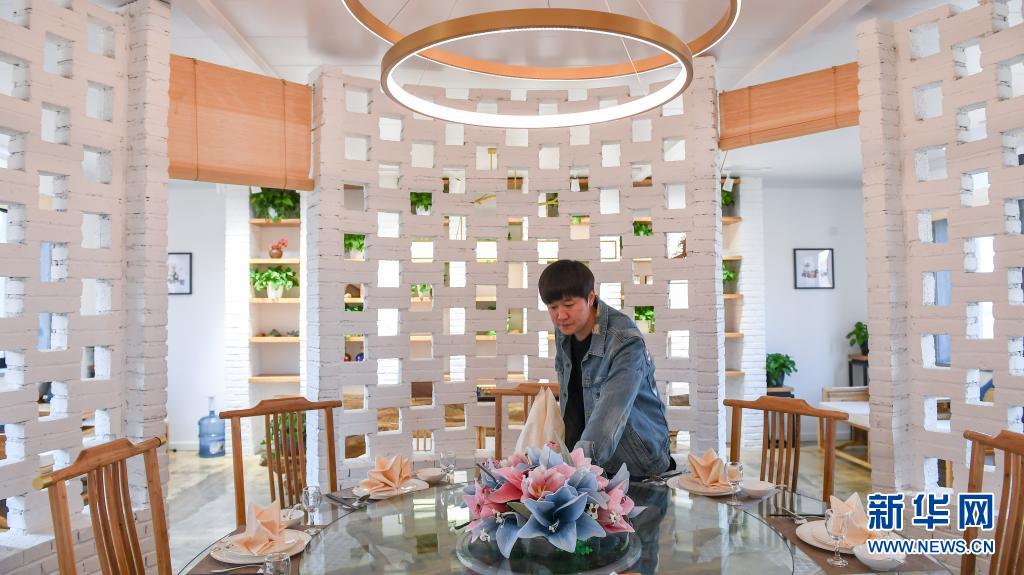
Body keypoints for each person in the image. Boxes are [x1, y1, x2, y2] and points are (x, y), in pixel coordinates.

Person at [538, 259, 674, 479]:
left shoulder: (625, 341)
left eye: (569, 305)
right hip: (586, 463)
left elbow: (609, 417)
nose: (560, 315)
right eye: (553, 307)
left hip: (635, 464)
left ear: (590, 298)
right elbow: (572, 398)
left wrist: (571, 471)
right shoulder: (565, 329)